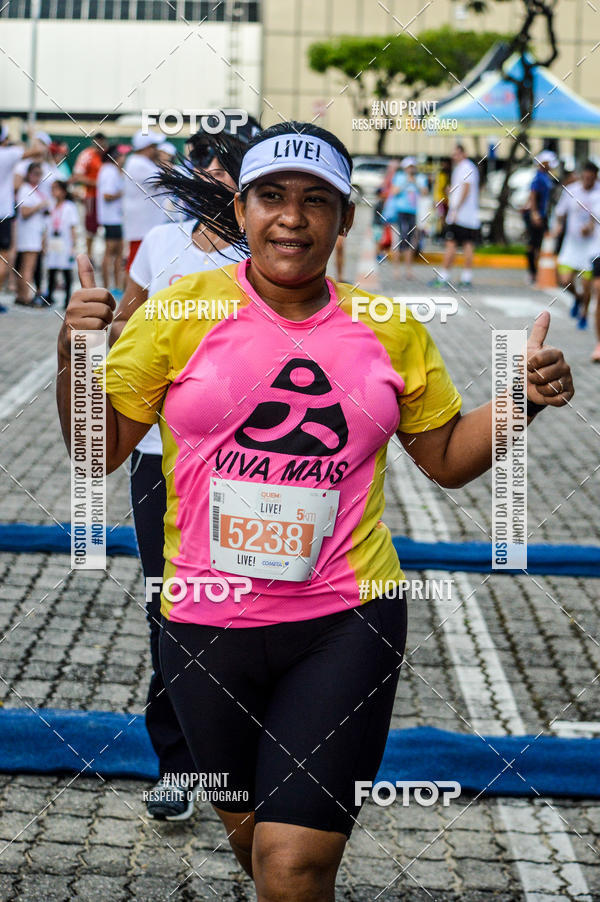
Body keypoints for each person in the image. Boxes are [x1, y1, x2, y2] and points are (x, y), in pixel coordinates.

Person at [57, 121, 574, 902]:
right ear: (241, 207)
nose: (291, 218)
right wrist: (74, 355)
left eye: (315, 201)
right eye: (270, 197)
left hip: (346, 621)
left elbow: (445, 461)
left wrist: (520, 404)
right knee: (260, 848)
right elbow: (95, 451)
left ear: (346, 217)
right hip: (205, 629)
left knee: (295, 862)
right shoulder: (178, 312)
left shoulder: (387, 329)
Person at [108, 118, 258, 821]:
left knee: (246, 607)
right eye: (205, 163)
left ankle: (242, 751)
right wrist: (93, 334)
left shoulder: (268, 253)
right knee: (167, 608)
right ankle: (176, 765)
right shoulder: (162, 245)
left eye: (228, 166)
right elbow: (128, 326)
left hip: (248, 463)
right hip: (157, 461)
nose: (214, 176)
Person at [552, 161, 600, 329]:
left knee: (588, 286)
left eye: (591, 179)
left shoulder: (598, 193)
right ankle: (578, 298)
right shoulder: (572, 191)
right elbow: (560, 213)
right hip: (571, 244)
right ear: (581, 176)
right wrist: (558, 226)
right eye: (585, 177)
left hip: (591, 248)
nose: (588, 181)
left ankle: (584, 314)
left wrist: (590, 227)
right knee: (564, 280)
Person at [0, 126, 44, 307]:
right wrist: (33, 134)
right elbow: (38, 151)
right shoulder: (7, 154)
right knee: (5, 258)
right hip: (3, 213)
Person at [431, 143, 480, 289]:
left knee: (451, 244)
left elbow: (466, 188)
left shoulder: (465, 167)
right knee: (467, 245)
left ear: (463, 153)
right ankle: (466, 278)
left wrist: (456, 208)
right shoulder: (465, 167)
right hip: (468, 216)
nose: (454, 157)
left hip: (460, 215)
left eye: (456, 153)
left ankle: (444, 277)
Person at [122, 130, 167, 271]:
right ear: (147, 148)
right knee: (137, 266)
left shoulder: (141, 163)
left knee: (142, 266)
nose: (157, 150)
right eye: (154, 146)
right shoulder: (138, 164)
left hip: (144, 225)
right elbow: (165, 181)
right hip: (142, 227)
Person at [14, 162, 51, 307]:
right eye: (35, 173)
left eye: (39, 174)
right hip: (28, 234)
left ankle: (21, 295)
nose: (37, 177)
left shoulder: (35, 190)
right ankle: (26, 296)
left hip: (35, 233)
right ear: (28, 174)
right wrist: (40, 206)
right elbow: (24, 212)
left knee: (26, 266)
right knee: (28, 267)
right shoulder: (25, 189)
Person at [383, 156, 426, 279]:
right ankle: (396, 270)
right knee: (398, 241)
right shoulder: (399, 177)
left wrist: (415, 182)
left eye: (412, 167)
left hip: (414, 212)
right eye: (408, 167)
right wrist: (406, 182)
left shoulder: (420, 178)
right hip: (400, 212)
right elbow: (394, 191)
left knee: (411, 241)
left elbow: (424, 192)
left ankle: (408, 270)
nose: (410, 169)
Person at [522, 150, 558, 284]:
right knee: (534, 245)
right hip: (538, 215)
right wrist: (534, 213)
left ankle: (537, 271)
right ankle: (532, 272)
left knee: (540, 244)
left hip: (543, 215)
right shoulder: (538, 177)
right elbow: (533, 194)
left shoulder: (545, 176)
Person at [97, 144, 128, 298]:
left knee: (117, 255)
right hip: (112, 219)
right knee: (111, 254)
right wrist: (123, 193)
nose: (125, 159)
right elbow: (107, 195)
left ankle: (116, 287)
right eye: (122, 156)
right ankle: (108, 287)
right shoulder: (109, 172)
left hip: (115, 219)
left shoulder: (111, 170)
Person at [71, 133, 108, 261]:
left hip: (106, 198)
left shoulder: (108, 156)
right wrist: (94, 183)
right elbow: (77, 175)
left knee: (106, 227)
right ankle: (90, 255)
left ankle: (105, 257)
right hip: (92, 196)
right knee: (90, 227)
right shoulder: (87, 155)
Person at [45, 180, 79, 308]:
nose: (54, 192)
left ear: (64, 191)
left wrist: (73, 245)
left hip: (65, 241)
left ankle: (67, 299)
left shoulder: (69, 206)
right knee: (52, 268)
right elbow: (47, 225)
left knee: (66, 269)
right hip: (53, 240)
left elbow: (72, 227)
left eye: (57, 189)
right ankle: (49, 296)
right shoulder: (51, 206)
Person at [433, 157, 451, 239]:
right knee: (442, 217)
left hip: (443, 199)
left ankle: (441, 233)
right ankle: (441, 233)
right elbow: (443, 188)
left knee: (442, 217)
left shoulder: (442, 174)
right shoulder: (442, 175)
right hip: (441, 199)